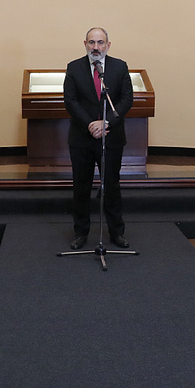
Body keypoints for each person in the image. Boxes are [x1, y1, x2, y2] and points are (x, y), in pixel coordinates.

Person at [64, 27, 133, 250]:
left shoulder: (119, 67)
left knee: (111, 186)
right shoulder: (74, 68)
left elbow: (126, 100)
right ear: (85, 44)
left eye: (100, 42)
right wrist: (90, 124)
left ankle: (116, 232)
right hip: (81, 138)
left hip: (111, 137)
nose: (96, 47)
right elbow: (70, 101)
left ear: (108, 45)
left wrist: (106, 122)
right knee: (81, 187)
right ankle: (81, 233)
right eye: (91, 42)